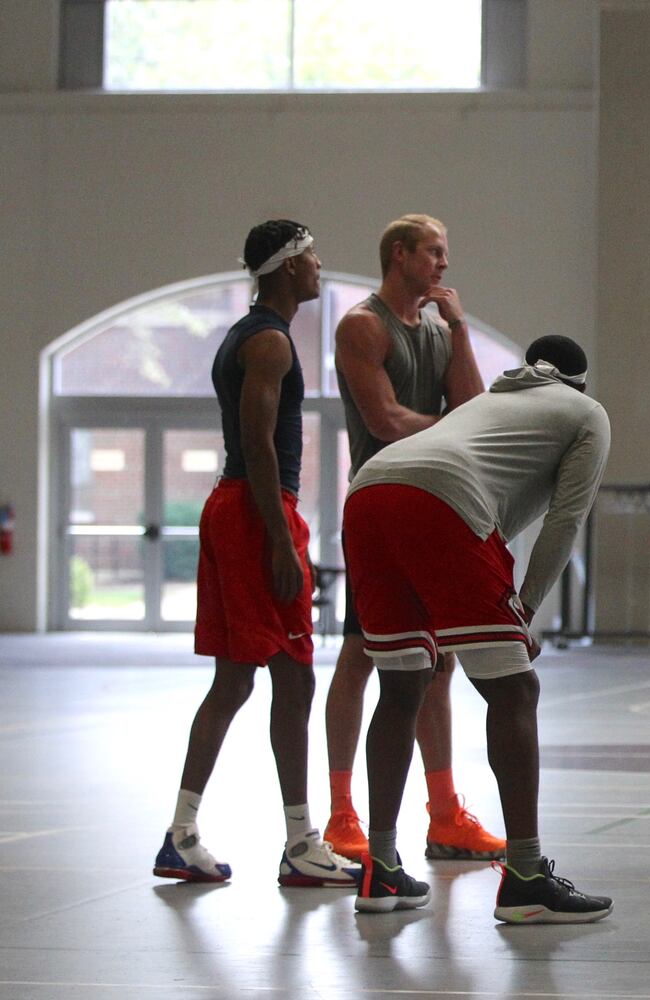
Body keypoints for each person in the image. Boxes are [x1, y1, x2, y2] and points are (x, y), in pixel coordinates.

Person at [345, 335, 613, 924]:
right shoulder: (586, 413)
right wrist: (527, 608)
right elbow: (564, 521)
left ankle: (381, 868)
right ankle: (524, 877)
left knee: (400, 687)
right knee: (514, 690)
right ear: (581, 383)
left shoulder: (489, 400)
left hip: (369, 490)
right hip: (442, 496)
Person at [154, 221, 358, 888]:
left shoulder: (254, 334)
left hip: (240, 506)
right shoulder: (268, 341)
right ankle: (300, 843)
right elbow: (259, 441)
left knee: (240, 679)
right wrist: (278, 537)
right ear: (287, 267)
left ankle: (183, 835)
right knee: (292, 677)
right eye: (311, 256)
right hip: (254, 511)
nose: (319, 267)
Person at [323, 214, 503, 863]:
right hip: (380, 505)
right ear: (399, 255)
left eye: (445, 253)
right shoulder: (363, 325)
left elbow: (475, 408)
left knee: (440, 663)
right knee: (361, 654)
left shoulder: (435, 328)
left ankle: (445, 813)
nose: (443, 265)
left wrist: (457, 327)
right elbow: (386, 419)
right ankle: (343, 815)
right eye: (433, 252)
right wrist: (451, 426)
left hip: (436, 507)